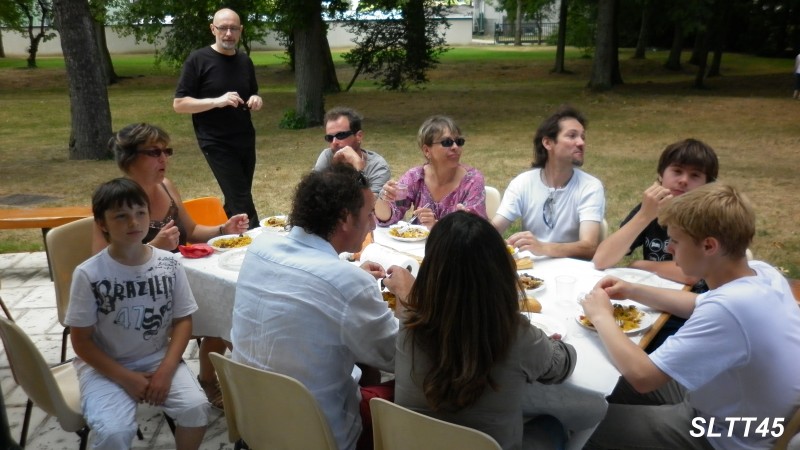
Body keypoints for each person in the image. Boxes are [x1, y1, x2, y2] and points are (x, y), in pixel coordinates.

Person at [580, 183, 800, 449]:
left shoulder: (729, 309)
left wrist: (601, 316)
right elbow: (697, 302)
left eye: (675, 240)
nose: (669, 249)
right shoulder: (762, 273)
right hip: (734, 405)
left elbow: (643, 377)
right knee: (604, 380)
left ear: (709, 246)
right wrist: (631, 290)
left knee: (583, 421)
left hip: (724, 435)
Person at [231, 164, 414, 450]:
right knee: (423, 395)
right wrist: (409, 297)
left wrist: (351, 279)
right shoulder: (348, 283)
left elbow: (309, 287)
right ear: (345, 218)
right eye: (369, 214)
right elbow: (401, 357)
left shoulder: (259, 248)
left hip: (254, 421)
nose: (373, 224)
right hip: (319, 436)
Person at [94, 122, 250, 411]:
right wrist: (154, 247)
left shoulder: (166, 187)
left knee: (229, 302)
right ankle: (240, 384)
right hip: (141, 295)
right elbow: (103, 270)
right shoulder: (115, 202)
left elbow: (192, 231)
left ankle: (217, 379)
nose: (164, 158)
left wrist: (223, 228)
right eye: (154, 152)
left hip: (178, 278)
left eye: (167, 151)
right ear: (130, 158)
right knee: (227, 308)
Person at [394, 211, 576, 449]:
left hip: (415, 443)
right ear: (500, 272)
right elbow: (563, 365)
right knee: (553, 424)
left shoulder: (408, 324)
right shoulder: (515, 334)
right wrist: (547, 344)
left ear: (430, 270)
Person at [66, 178, 211, 450]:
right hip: (104, 367)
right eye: (121, 216)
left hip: (157, 358)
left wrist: (166, 370)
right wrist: (125, 377)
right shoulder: (89, 274)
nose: (134, 222)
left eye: (140, 213)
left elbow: (183, 320)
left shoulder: (169, 263)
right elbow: (81, 341)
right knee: (114, 432)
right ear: (102, 223)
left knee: (196, 409)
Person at [173, 7, 262, 229]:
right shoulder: (198, 59)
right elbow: (179, 104)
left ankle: (224, 234)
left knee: (236, 197)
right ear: (213, 29)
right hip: (216, 141)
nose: (228, 34)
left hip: (245, 138)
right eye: (223, 28)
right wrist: (216, 101)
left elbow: (252, 92)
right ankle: (258, 239)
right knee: (242, 199)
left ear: (241, 30)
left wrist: (255, 98)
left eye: (233, 28)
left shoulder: (244, 61)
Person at [593, 138, 719, 289]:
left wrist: (640, 265)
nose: (684, 180)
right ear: (661, 174)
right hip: (656, 293)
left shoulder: (710, 216)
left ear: (707, 184)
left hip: (699, 298)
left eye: (695, 175)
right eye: (677, 171)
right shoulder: (650, 208)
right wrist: (644, 216)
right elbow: (601, 260)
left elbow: (690, 274)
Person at [492, 105, 605, 260]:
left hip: (572, 270)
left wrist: (543, 248)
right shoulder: (523, 183)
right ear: (548, 143)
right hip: (532, 270)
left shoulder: (590, 187)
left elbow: (589, 247)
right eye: (572, 136)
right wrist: (473, 225)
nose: (581, 142)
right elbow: (495, 228)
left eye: (582, 137)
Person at [376, 115, 486, 229]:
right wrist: (384, 198)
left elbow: (477, 231)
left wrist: (436, 227)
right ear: (427, 150)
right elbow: (388, 218)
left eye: (459, 141)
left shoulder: (472, 181)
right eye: (447, 142)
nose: (455, 147)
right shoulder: (416, 177)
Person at [314, 106, 391, 194]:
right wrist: (334, 169)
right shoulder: (328, 156)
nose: (334, 142)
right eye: (330, 138)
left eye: (341, 135)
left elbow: (372, 202)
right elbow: (311, 195)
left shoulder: (377, 167)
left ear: (359, 136)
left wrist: (359, 170)